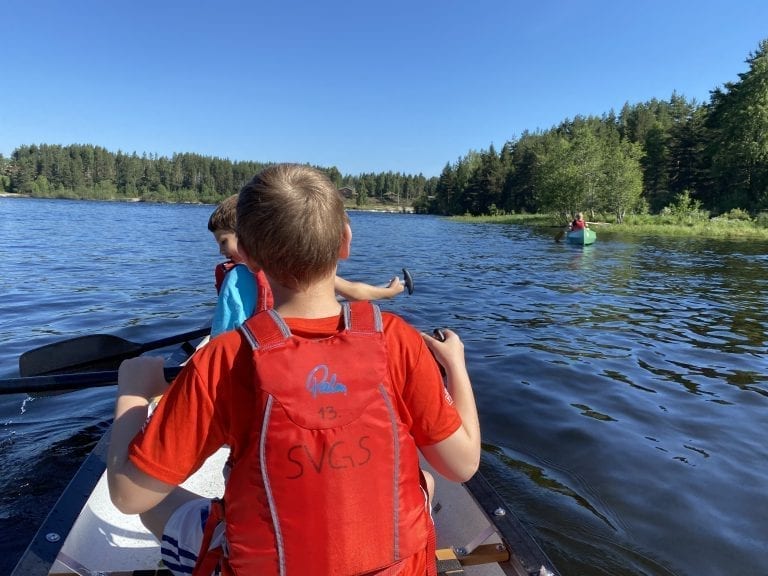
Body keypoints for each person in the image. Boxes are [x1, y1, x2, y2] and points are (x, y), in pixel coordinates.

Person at [108, 164, 480, 576]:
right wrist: (456, 366)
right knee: (426, 482)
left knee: (157, 504)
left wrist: (134, 394)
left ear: (245, 256)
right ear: (345, 242)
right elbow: (462, 465)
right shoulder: (397, 338)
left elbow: (127, 496)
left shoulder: (224, 358)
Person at [207, 194, 406, 336]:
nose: (221, 251)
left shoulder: (237, 278)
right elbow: (353, 291)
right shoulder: (298, 266)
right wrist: (388, 293)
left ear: (245, 240)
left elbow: (222, 335)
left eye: (223, 241)